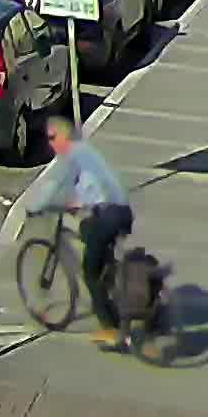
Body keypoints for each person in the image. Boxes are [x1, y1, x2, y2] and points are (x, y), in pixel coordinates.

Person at [22, 112, 138, 349]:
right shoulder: (85, 152)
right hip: (121, 211)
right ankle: (114, 276)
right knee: (87, 231)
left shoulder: (70, 156)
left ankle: (112, 331)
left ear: (64, 137)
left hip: (109, 215)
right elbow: (93, 184)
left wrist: (34, 208)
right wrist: (77, 202)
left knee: (89, 274)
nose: (50, 143)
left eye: (53, 137)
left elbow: (53, 187)